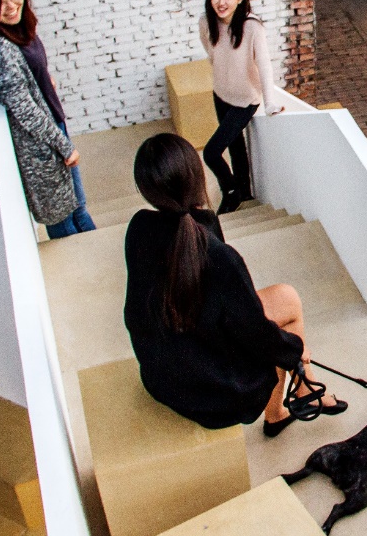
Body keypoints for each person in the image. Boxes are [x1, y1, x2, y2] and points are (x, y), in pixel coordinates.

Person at [124, 132, 345, 436]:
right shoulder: (219, 256)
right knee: (286, 318)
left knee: (285, 299)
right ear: (197, 179)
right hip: (212, 391)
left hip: (162, 376)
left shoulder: (138, 229)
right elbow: (254, 331)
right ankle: (283, 406)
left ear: (146, 188)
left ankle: (294, 398)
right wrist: (295, 351)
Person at [0, 0, 96, 238]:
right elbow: (24, 110)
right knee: (64, 220)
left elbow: (27, 73)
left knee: (79, 209)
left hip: (53, 125)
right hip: (42, 144)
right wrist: (63, 146)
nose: (11, 6)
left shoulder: (16, 28)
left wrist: (43, 78)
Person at [199, 0, 283, 215]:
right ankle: (244, 192)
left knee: (211, 153)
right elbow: (211, 52)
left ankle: (230, 191)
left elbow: (264, 65)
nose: (221, 2)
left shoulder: (252, 27)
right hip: (220, 94)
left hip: (246, 100)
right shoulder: (206, 22)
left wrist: (269, 103)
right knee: (236, 148)